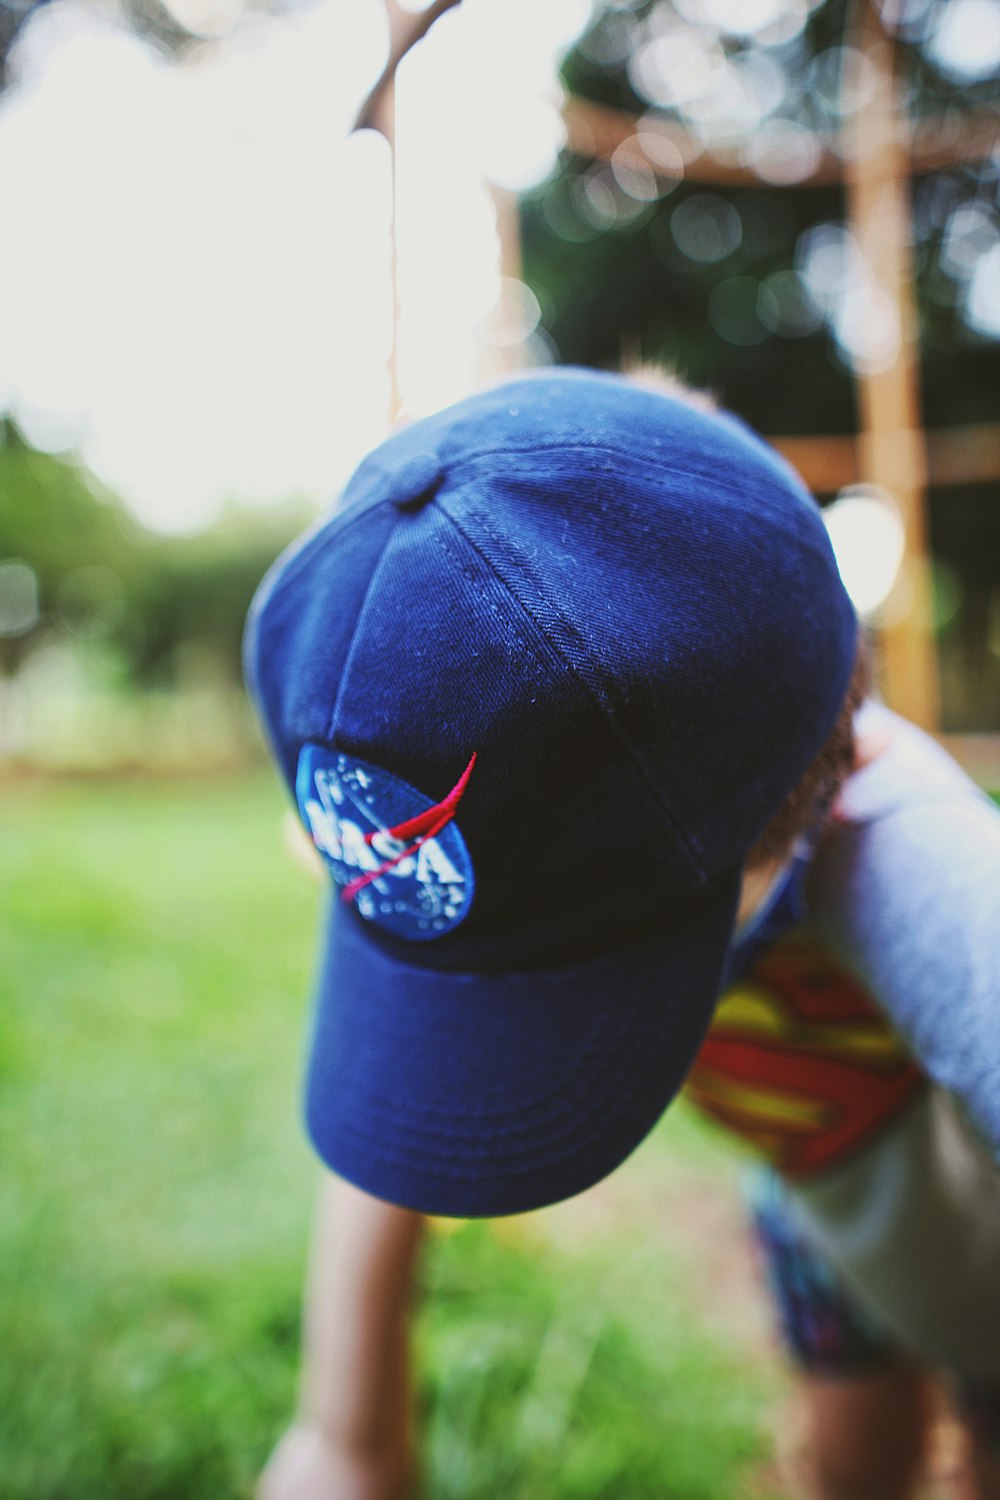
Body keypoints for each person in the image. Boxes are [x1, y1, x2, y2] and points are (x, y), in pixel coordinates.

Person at [244, 367, 1000, 1500]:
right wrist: (344, 1437)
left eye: (568, 951)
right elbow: (344, 1420)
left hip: (960, 1205)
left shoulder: (911, 864)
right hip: (810, 1183)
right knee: (856, 1457)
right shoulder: (457, 817)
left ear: (781, 811)